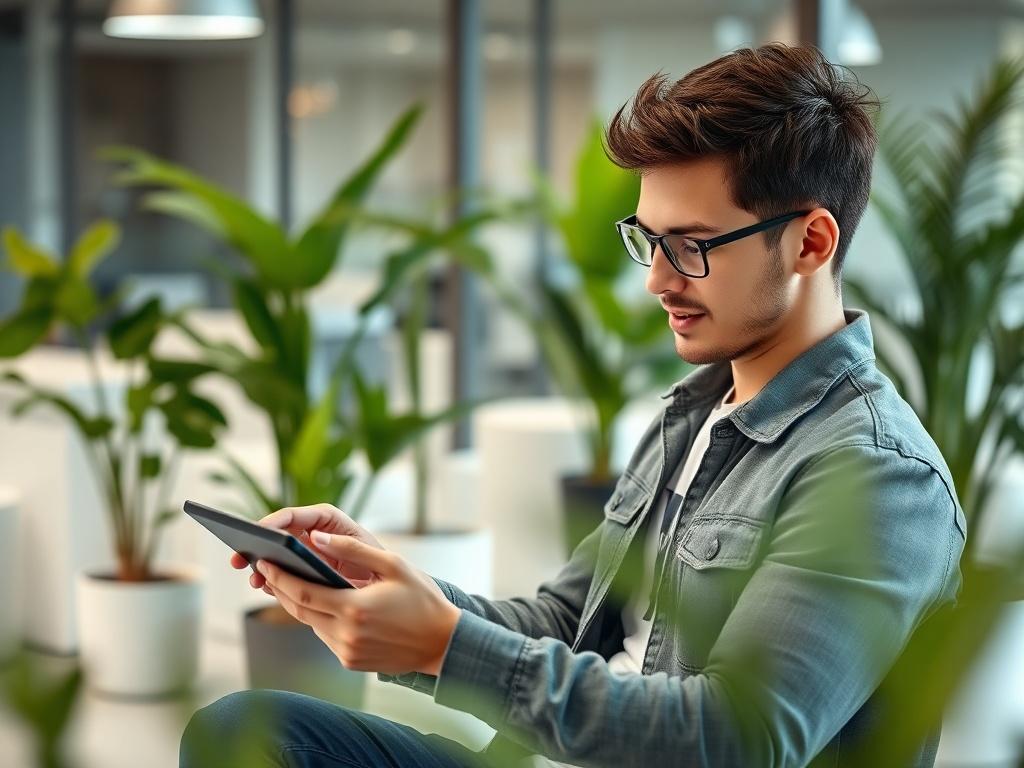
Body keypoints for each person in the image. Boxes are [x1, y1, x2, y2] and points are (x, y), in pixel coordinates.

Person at [180, 43, 966, 768]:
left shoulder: (877, 476)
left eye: (691, 246)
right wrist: (392, 595)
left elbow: (736, 739)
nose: (657, 280)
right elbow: (563, 624)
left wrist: (442, 646)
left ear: (810, 243)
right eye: (649, 240)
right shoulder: (694, 415)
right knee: (242, 729)